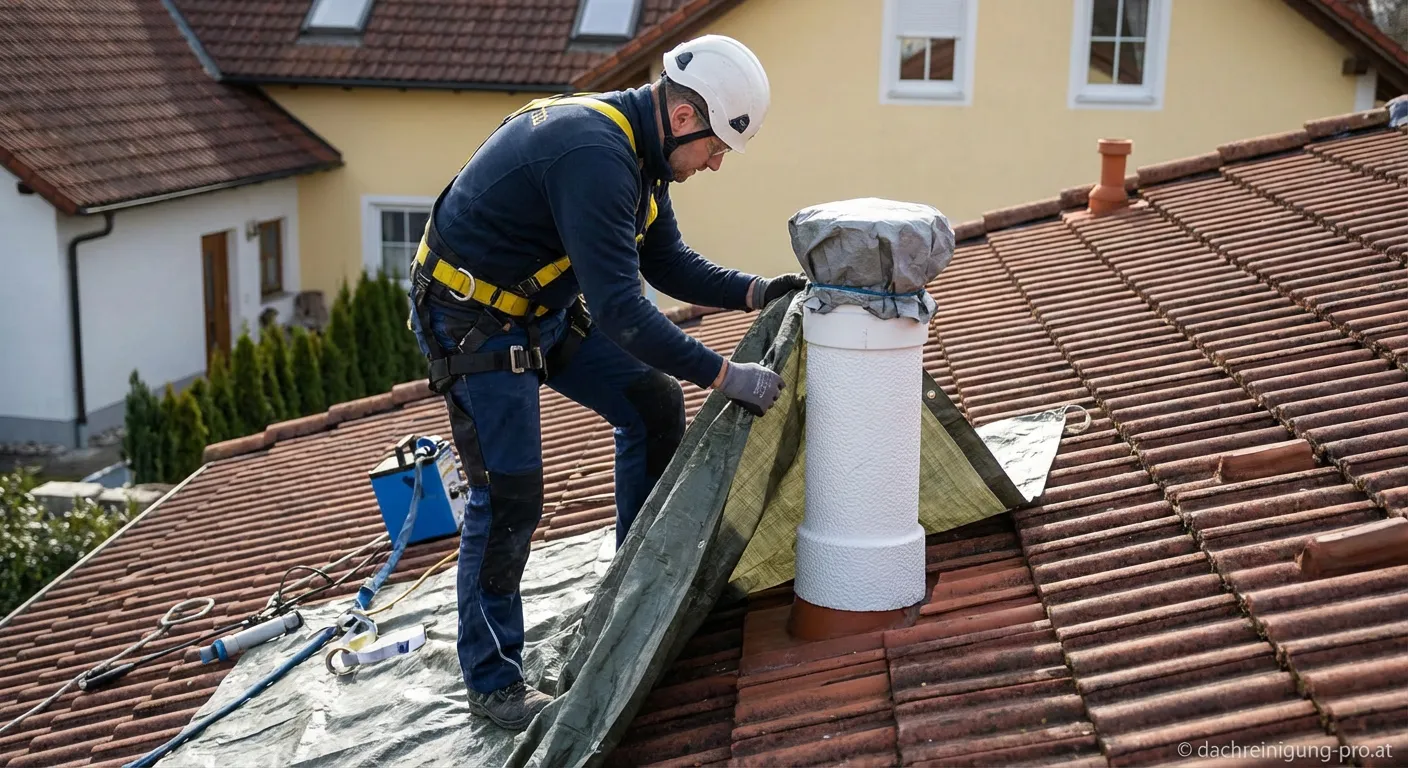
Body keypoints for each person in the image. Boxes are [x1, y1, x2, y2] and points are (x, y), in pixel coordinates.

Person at [406, 34, 806, 731]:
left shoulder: (640, 153)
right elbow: (623, 313)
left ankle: (638, 581)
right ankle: (494, 682)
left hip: (538, 309)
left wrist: (756, 291)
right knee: (508, 501)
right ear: (684, 119)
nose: (715, 164)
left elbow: (667, 262)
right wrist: (723, 374)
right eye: (715, 148)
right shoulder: (595, 157)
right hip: (473, 320)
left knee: (652, 401)